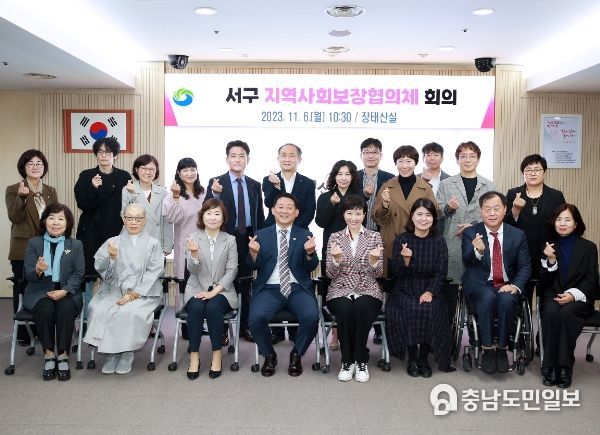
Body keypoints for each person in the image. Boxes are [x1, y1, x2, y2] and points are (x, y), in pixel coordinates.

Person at [84, 204, 164, 375]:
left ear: (145, 220)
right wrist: (112, 259)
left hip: (144, 293)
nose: (133, 222)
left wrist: (134, 294)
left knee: (129, 312)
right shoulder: (112, 242)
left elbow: (154, 272)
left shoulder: (153, 244)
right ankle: (112, 353)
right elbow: (103, 272)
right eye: (129, 218)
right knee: (97, 308)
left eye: (138, 218)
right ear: (123, 219)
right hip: (114, 290)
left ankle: (127, 353)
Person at [247, 193, 320, 377]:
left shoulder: (305, 234)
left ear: (296, 213)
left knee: (312, 317)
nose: (284, 211)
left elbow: (311, 266)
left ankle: (297, 354)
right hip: (269, 288)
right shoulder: (261, 235)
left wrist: (310, 253)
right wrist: (253, 253)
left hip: (297, 288)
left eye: (289, 207)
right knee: (255, 318)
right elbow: (252, 265)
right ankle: (269, 355)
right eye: (280, 207)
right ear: (273, 210)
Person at [461, 191, 531, 374]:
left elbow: (525, 266)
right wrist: (477, 251)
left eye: (496, 209)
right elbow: (467, 261)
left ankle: (501, 349)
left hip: (506, 284)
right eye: (487, 209)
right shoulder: (471, 233)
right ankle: (487, 349)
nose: (492, 213)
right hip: (480, 285)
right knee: (487, 297)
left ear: (505, 209)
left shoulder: (517, 235)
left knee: (507, 299)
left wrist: (515, 286)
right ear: (481, 211)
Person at [205, 140, 265, 342]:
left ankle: (245, 327)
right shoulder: (216, 182)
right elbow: (207, 210)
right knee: (222, 284)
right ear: (227, 159)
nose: (237, 160)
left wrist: (259, 240)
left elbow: (259, 216)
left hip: (247, 238)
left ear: (248, 159)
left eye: (242, 156)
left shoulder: (255, 184)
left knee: (246, 284)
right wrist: (215, 193)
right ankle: (221, 329)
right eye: (233, 156)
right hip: (224, 239)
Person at [387, 198, 454, 377]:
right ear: (412, 216)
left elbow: (441, 273)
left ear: (434, 218)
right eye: (419, 214)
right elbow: (396, 273)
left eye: (428, 215)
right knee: (411, 308)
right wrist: (406, 260)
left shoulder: (439, 241)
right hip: (405, 288)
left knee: (429, 309)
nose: (424, 219)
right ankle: (412, 357)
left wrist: (430, 291)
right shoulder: (402, 239)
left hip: (430, 288)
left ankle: (423, 358)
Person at [539, 204, 599, 388]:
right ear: (554, 222)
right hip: (553, 295)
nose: (562, 223)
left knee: (566, 313)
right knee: (551, 312)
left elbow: (591, 279)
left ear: (576, 223)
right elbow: (543, 281)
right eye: (559, 219)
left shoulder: (589, 247)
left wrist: (572, 295)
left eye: (567, 219)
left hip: (580, 297)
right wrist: (551, 260)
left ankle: (564, 367)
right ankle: (549, 365)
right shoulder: (547, 246)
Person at [23, 203, 84, 381]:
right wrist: (38, 271)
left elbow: (79, 273)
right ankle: (49, 354)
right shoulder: (34, 243)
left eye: (60, 219)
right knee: (45, 308)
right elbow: (27, 274)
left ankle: (63, 355)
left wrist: (65, 290)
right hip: (39, 291)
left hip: (67, 291)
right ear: (44, 221)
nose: (56, 223)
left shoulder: (75, 244)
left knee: (65, 308)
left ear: (68, 223)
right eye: (51, 218)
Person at [325, 195, 383, 382]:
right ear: (343, 214)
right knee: (344, 309)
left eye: (358, 213)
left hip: (367, 287)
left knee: (361, 307)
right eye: (349, 213)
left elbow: (379, 273)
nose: (354, 218)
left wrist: (374, 262)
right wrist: (336, 260)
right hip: (340, 288)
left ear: (364, 214)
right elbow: (330, 274)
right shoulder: (335, 237)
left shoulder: (374, 236)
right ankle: (347, 361)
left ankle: (360, 360)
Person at [263, 143, 316, 344]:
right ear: (278, 158)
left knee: (297, 278)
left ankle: (295, 331)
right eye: (283, 155)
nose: (287, 159)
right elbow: (270, 204)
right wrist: (276, 186)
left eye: (292, 155)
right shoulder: (268, 179)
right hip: (273, 235)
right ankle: (275, 332)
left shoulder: (308, 182)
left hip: (299, 235)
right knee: (274, 278)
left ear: (299, 159)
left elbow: (310, 210)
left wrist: (293, 232)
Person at [75, 138, 131, 318]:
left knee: (114, 276)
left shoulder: (124, 177)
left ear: (115, 155)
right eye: (100, 152)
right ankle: (87, 319)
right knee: (88, 277)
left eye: (108, 152)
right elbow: (83, 204)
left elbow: (129, 205)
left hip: (115, 233)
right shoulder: (86, 175)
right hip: (90, 233)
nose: (104, 155)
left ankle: (111, 317)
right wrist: (93, 187)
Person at [6, 149, 57, 345]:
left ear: (44, 167)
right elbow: (14, 217)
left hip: (47, 248)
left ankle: (40, 329)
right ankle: (23, 333)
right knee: (22, 287)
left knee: (43, 288)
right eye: (30, 164)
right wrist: (21, 197)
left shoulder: (50, 190)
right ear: (23, 167)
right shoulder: (13, 189)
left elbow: (54, 219)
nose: (35, 167)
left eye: (39, 164)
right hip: (23, 248)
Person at [184, 199, 238, 380]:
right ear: (202, 216)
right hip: (196, 288)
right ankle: (194, 356)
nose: (213, 217)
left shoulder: (230, 240)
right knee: (196, 308)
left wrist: (214, 292)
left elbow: (232, 270)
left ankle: (216, 355)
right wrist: (194, 254)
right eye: (209, 213)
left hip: (222, 290)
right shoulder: (193, 237)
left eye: (217, 214)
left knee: (214, 307)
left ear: (223, 218)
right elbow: (192, 270)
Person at [505, 154, 566, 307]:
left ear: (544, 172)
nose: (533, 173)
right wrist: (515, 209)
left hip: (548, 253)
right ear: (523, 173)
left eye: (537, 169)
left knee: (548, 301)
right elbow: (505, 226)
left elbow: (562, 223)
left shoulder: (556, 196)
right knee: (519, 301)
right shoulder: (513, 193)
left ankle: (545, 323)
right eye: (528, 170)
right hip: (520, 254)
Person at [436, 141, 496, 283]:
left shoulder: (489, 186)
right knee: (452, 283)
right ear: (457, 160)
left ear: (478, 159)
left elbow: (495, 215)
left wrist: (473, 225)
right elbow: (437, 213)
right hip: (452, 240)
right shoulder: (446, 184)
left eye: (472, 156)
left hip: (480, 240)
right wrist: (448, 207)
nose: (468, 160)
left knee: (477, 284)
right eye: (463, 156)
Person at [372, 145, 437, 275]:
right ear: (395, 163)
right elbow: (377, 218)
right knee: (391, 282)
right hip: (391, 242)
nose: (404, 166)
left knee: (416, 280)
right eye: (400, 161)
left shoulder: (425, 188)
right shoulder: (387, 187)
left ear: (415, 163)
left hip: (418, 242)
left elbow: (434, 216)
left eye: (408, 161)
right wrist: (385, 205)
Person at [162, 157, 205, 340]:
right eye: (185, 170)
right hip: (185, 245)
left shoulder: (203, 192)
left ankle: (201, 321)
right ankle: (186, 326)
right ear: (179, 173)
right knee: (185, 284)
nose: (190, 173)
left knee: (203, 282)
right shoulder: (173, 194)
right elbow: (172, 218)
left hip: (205, 245)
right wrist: (175, 197)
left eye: (192, 169)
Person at [357, 138, 394, 346]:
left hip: (381, 237)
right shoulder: (352, 177)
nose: (370, 155)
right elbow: (347, 203)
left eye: (374, 152)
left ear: (381, 155)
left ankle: (379, 329)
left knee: (379, 282)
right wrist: (363, 194)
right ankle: (359, 327)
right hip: (357, 238)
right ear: (361, 155)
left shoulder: (390, 178)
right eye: (367, 152)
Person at [316, 160, 363, 274]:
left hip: (355, 245)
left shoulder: (359, 196)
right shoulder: (325, 197)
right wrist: (331, 204)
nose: (343, 178)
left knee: (354, 278)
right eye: (340, 174)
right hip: (332, 245)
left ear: (352, 177)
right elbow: (321, 222)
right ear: (334, 176)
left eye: (347, 174)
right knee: (330, 278)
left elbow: (363, 222)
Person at [122, 154, 174, 255]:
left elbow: (167, 221)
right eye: (144, 168)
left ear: (156, 171)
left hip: (157, 241)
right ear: (136, 169)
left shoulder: (162, 191)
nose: (148, 172)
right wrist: (132, 195)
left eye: (151, 169)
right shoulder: (128, 189)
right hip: (134, 241)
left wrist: (168, 245)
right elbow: (123, 215)